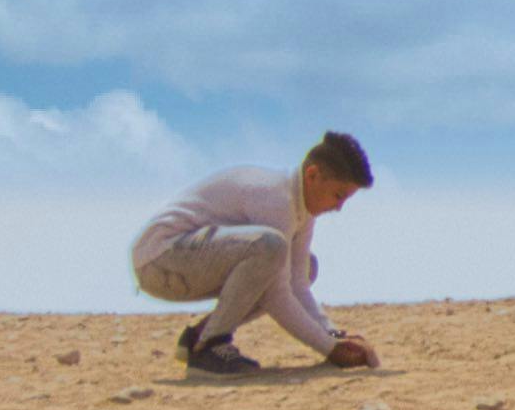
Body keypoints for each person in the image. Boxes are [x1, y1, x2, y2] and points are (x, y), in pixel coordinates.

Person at [133, 134, 378, 375]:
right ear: (312, 175)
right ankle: (209, 347)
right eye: (338, 195)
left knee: (305, 267)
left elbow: (298, 284)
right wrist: (330, 349)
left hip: (184, 260)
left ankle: (199, 338)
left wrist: (333, 335)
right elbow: (276, 295)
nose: (338, 208)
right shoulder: (277, 199)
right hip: (160, 258)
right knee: (270, 247)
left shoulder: (302, 208)